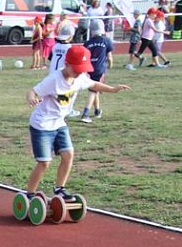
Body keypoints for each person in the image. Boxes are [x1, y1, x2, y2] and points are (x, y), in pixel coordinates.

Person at [24, 45, 130, 201]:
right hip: (42, 125)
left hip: (59, 123)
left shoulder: (79, 78)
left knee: (68, 154)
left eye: (82, 69)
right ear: (66, 64)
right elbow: (33, 91)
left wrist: (113, 89)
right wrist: (32, 99)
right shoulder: (53, 80)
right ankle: (30, 194)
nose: (79, 72)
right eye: (76, 69)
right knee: (45, 162)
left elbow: (94, 84)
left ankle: (60, 188)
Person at [81, 20, 115, 123]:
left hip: (89, 68)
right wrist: (110, 65)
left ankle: (97, 110)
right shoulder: (106, 41)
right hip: (100, 68)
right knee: (93, 90)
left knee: (94, 88)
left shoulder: (87, 43)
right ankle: (85, 113)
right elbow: (109, 56)